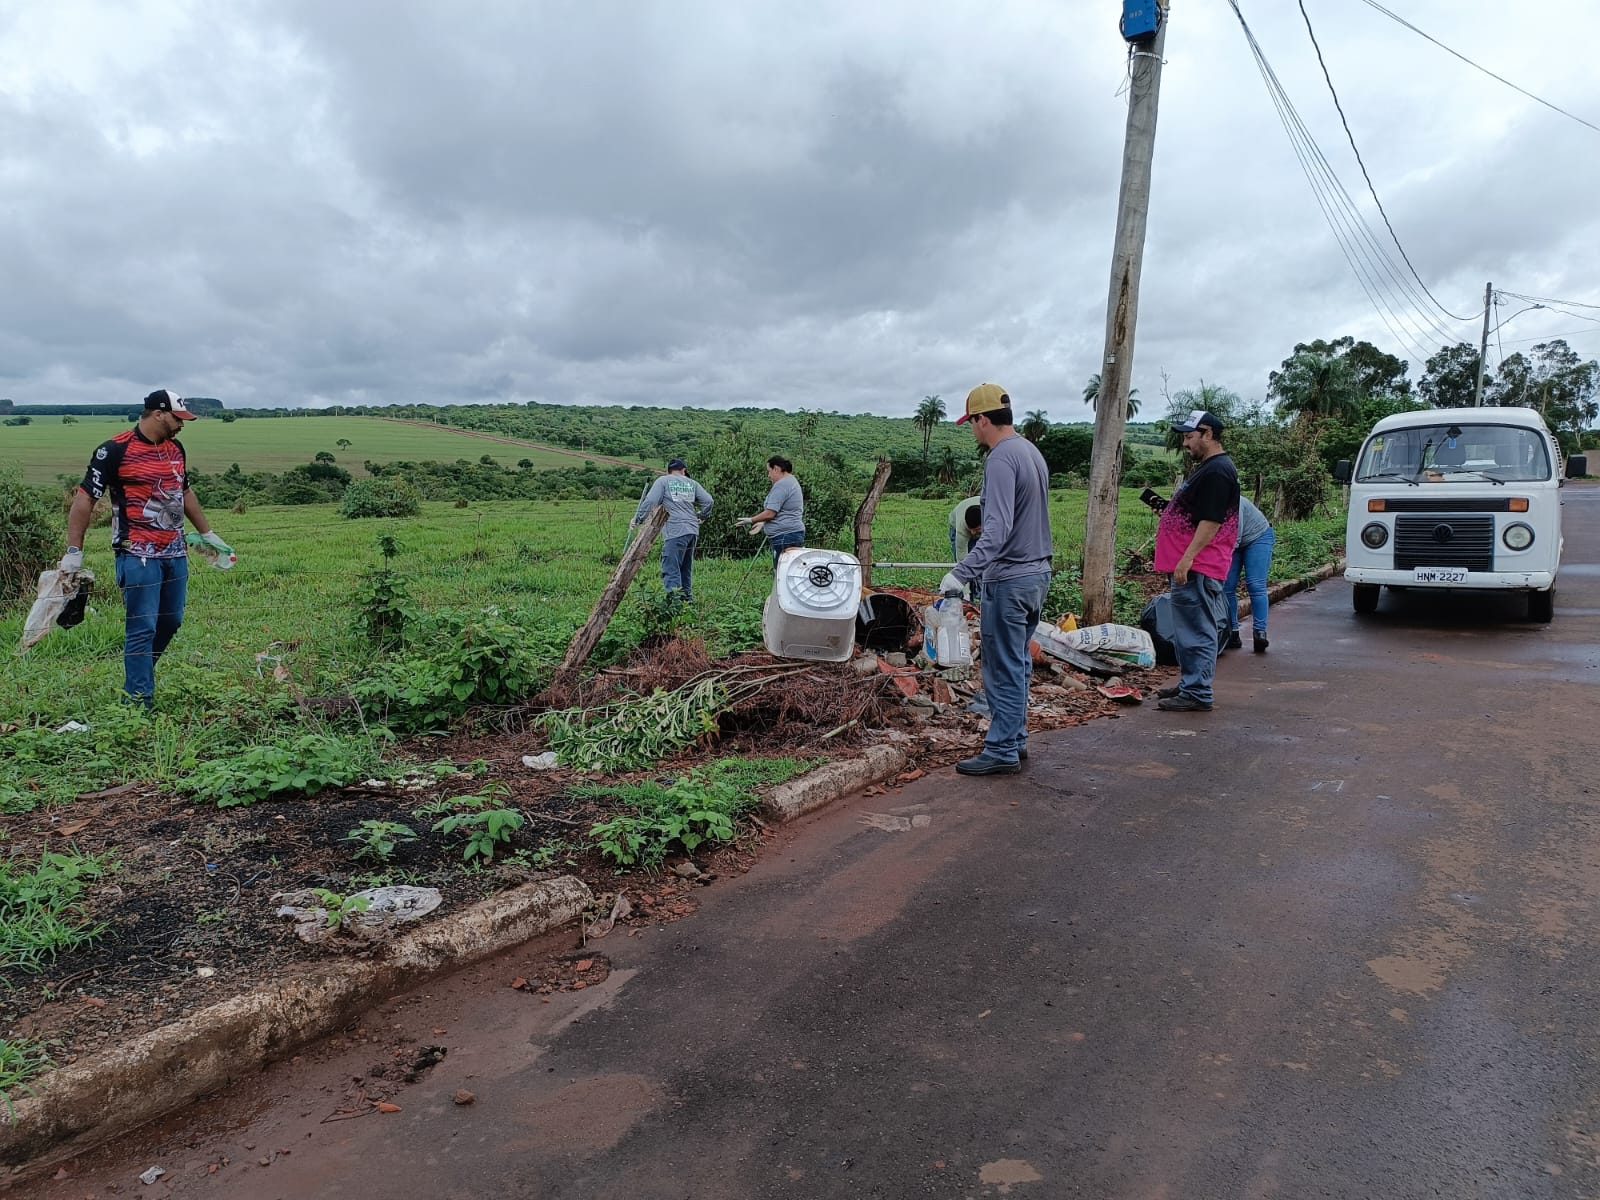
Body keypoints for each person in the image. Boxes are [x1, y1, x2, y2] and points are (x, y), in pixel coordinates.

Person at [60, 390, 233, 709]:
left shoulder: (176, 449)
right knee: (143, 626)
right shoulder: (114, 450)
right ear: (158, 414)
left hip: (175, 552)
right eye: (178, 419)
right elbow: (85, 499)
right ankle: (139, 703)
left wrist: (207, 533)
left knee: (172, 622)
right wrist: (74, 551)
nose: (182, 426)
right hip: (136, 553)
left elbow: (185, 491)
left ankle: (137, 680)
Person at [939, 384, 1053, 776]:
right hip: (1037, 574)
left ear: (983, 420)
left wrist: (961, 573)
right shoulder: (1031, 452)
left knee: (1002, 666)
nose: (972, 431)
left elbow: (997, 530)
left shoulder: (1001, 459)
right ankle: (1015, 737)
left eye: (972, 422)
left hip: (1010, 579)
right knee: (1018, 660)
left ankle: (1002, 748)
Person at [1153, 409, 1240, 713]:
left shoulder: (1217, 471)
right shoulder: (1211, 468)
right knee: (1188, 627)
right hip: (1193, 564)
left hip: (1198, 565)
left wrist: (1186, 558)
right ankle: (1191, 683)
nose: (1186, 444)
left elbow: (1211, 521)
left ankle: (1198, 691)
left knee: (1197, 628)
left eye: (1190, 437)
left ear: (1208, 435)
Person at [630, 458, 714, 602]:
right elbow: (709, 501)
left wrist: (638, 519)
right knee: (685, 569)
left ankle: (674, 606)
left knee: (671, 569)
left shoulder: (663, 481)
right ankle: (688, 603)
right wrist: (701, 516)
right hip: (692, 530)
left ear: (668, 471)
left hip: (675, 531)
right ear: (683, 471)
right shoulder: (692, 483)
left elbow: (650, 501)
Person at [1223, 494, 1275, 654]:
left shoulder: (1235, 503)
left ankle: (1260, 633)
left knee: (1255, 584)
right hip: (1233, 542)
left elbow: (1234, 540)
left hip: (1258, 537)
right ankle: (1233, 633)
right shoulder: (1208, 502)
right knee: (1227, 587)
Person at [741, 455, 805, 568]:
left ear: (776, 469)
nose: (768, 475)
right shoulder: (791, 481)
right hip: (791, 534)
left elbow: (771, 513)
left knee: (781, 572)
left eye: (769, 471)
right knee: (789, 571)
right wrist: (762, 522)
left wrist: (750, 520)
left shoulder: (782, 485)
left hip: (784, 536)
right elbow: (782, 510)